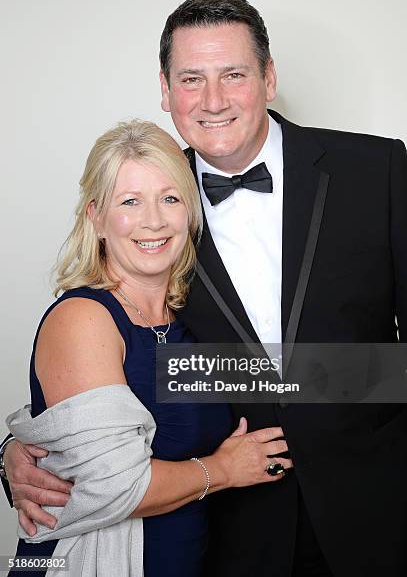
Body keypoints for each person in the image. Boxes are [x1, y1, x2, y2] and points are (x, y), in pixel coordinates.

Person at [2, 0, 407, 577]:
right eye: (191, 79)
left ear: (268, 79)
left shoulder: (379, 170)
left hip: (375, 512)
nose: (213, 101)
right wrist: (21, 454)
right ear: (165, 91)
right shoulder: (153, 204)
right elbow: (105, 361)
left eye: (234, 74)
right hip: (223, 535)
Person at [1, 118, 292, 577]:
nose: (153, 220)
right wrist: (223, 470)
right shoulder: (82, 317)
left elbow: (303, 378)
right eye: (130, 201)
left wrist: (384, 376)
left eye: (170, 198)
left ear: (191, 212)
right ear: (96, 217)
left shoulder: (191, 322)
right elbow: (115, 485)